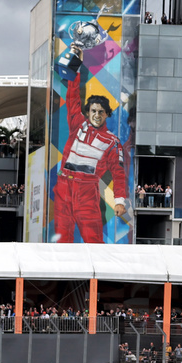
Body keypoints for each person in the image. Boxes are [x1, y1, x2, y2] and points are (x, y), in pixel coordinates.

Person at [53, 45, 130, 244]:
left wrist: (119, 201)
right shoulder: (77, 123)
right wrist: (77, 64)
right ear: (87, 112)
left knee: (93, 240)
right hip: (64, 186)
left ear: (107, 115)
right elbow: (72, 97)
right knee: (62, 241)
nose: (96, 115)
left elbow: (118, 173)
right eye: (93, 111)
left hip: (86, 191)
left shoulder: (112, 142)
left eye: (101, 112)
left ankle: (97, 266)